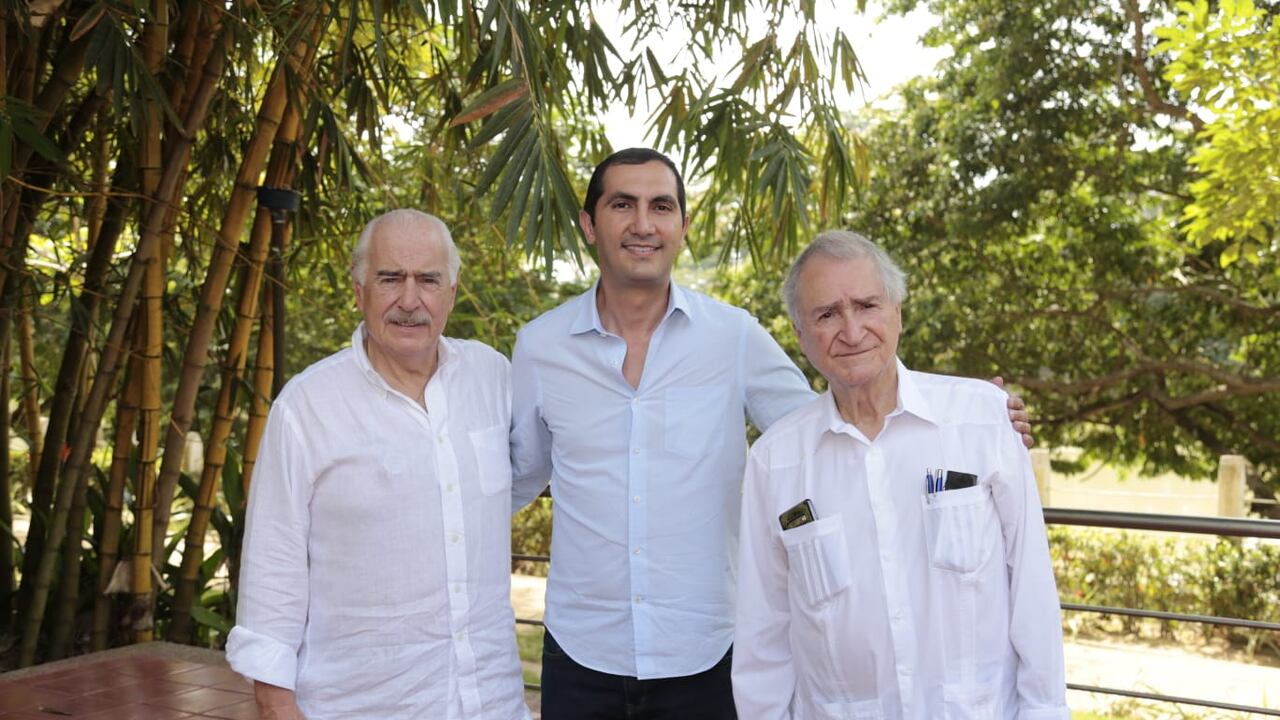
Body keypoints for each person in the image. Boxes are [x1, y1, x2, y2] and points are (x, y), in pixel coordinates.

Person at [509, 149, 1034, 719]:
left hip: (708, 658)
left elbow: (834, 429)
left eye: (660, 206)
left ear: (683, 228)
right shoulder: (540, 347)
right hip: (582, 653)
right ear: (589, 224)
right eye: (622, 205)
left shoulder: (732, 337)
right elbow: (516, 476)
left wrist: (958, 419)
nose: (643, 224)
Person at [732, 230, 1069, 719]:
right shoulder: (775, 461)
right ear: (799, 332)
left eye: (867, 305)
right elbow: (764, 636)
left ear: (898, 311)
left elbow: (1032, 595)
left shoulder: (980, 419)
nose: (851, 331)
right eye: (826, 314)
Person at [226, 210, 529, 720]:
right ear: (359, 290)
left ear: (451, 292)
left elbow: (529, 473)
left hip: (490, 704)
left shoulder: (492, 378)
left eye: (428, 280)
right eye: (391, 278)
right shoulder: (307, 406)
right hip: (359, 706)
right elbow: (272, 565)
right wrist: (276, 704)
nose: (409, 301)